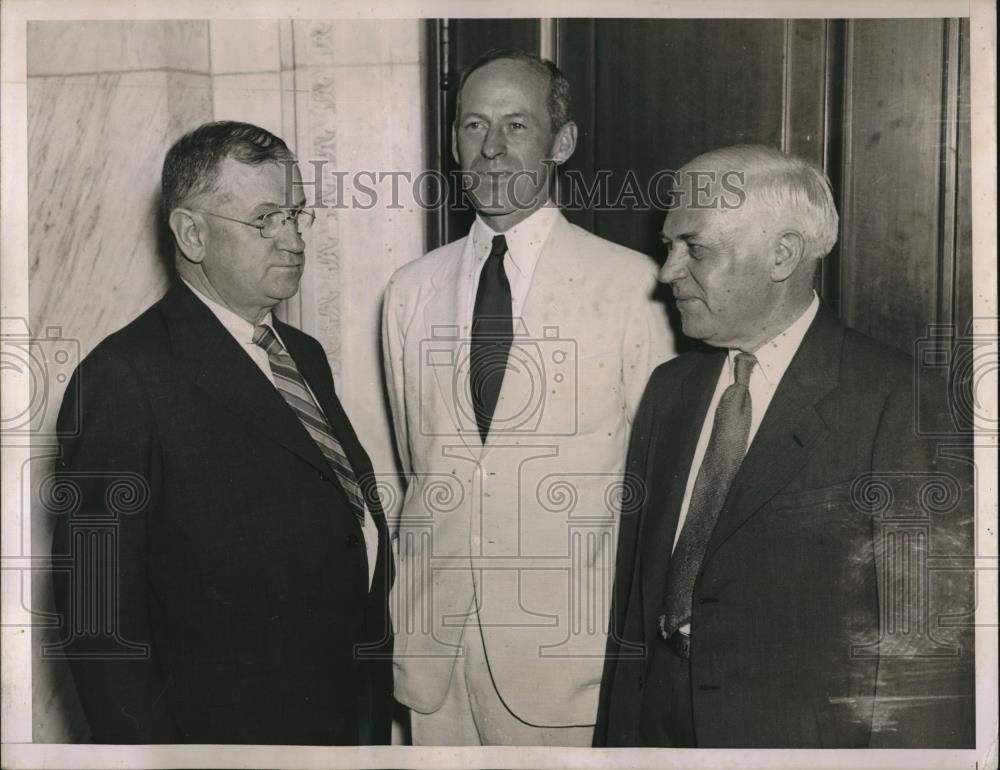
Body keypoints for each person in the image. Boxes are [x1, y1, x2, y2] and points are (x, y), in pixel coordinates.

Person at [594, 144, 975, 748]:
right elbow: (634, 618)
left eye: (695, 248)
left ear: (782, 254)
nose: (667, 271)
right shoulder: (670, 392)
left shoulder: (898, 403)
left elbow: (925, 658)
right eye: (669, 246)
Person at [49, 121, 393, 744]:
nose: (292, 240)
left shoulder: (302, 354)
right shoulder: (124, 378)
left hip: (340, 715)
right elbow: (97, 623)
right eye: (266, 219)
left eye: (295, 214)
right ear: (192, 233)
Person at [382, 48, 675, 746]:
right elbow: (419, 468)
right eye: (473, 126)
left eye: (516, 126)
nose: (490, 149)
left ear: (561, 142)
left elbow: (656, 495)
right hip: (434, 661)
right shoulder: (408, 292)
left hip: (566, 669)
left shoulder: (636, 289)